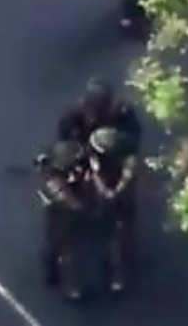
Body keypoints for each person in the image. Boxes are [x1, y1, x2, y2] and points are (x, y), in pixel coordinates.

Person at [35, 140, 89, 300]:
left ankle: (53, 270)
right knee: (66, 250)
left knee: (56, 244)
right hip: (62, 218)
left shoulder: (61, 175)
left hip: (61, 217)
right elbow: (72, 204)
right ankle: (69, 286)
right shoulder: (54, 183)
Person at [87, 127, 139, 293]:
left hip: (120, 200)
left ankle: (118, 274)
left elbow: (127, 176)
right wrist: (104, 191)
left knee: (118, 238)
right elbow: (95, 174)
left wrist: (115, 192)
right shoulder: (95, 159)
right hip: (103, 196)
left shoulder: (127, 158)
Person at [57, 78, 141, 151]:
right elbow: (64, 140)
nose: (98, 105)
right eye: (93, 100)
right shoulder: (73, 114)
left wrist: (117, 139)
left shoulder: (122, 111)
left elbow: (134, 136)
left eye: (103, 101)